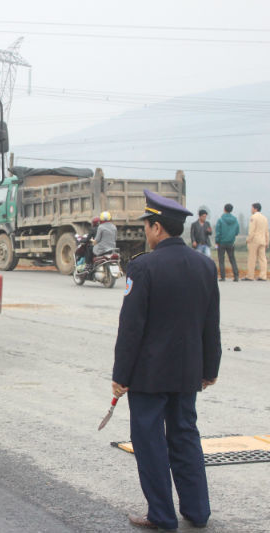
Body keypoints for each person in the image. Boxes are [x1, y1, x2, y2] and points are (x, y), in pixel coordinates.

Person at [112, 190, 221, 532]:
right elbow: (210, 322)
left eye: (147, 225)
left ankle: (161, 515)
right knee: (185, 436)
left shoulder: (143, 266)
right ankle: (197, 511)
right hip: (188, 372)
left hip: (148, 375)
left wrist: (121, 375)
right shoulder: (205, 265)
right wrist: (210, 369)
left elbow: (131, 328)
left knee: (150, 441)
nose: (146, 231)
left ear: (157, 228)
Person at [242, 202, 268, 281]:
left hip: (254, 240)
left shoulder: (253, 217)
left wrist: (248, 239)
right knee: (263, 259)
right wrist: (267, 241)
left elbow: (251, 231)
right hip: (263, 240)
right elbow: (267, 231)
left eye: (252, 208)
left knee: (252, 258)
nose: (251, 209)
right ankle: (263, 275)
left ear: (255, 208)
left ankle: (250, 275)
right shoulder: (265, 218)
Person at [214, 203, 240, 282]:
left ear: (224, 209)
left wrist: (217, 241)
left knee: (221, 259)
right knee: (232, 259)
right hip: (231, 242)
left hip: (221, 242)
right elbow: (237, 231)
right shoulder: (235, 220)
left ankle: (223, 277)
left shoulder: (220, 220)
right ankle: (236, 276)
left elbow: (218, 232)